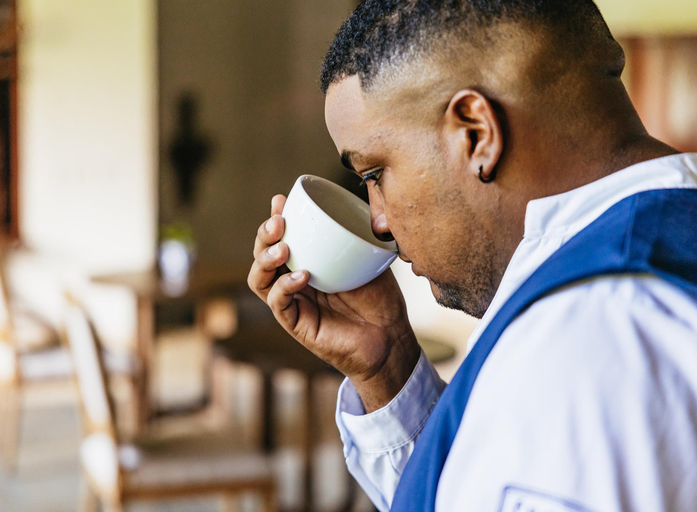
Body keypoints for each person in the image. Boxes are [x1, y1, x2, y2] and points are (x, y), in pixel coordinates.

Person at [247, 1, 697, 510]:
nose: (379, 219)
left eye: (374, 174)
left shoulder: (583, 350)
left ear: (475, 134)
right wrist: (387, 370)